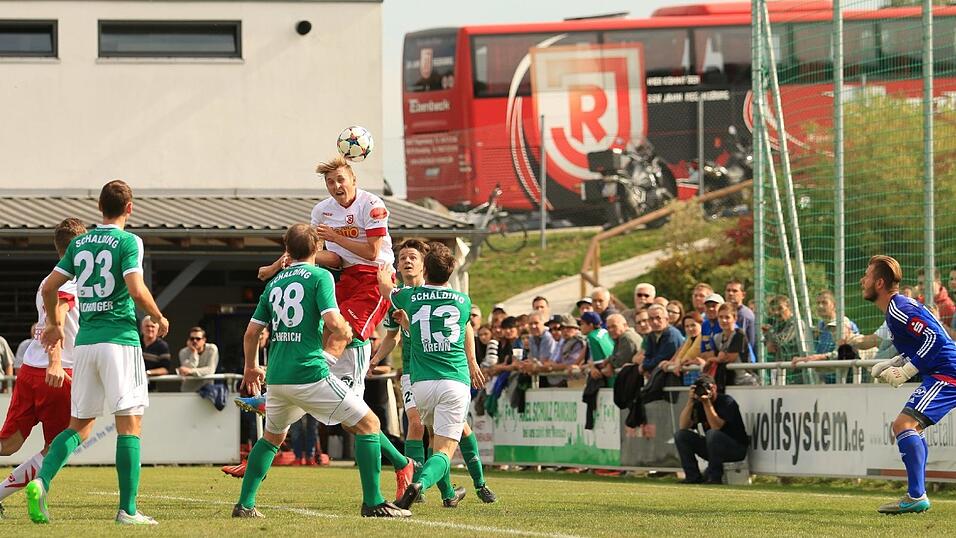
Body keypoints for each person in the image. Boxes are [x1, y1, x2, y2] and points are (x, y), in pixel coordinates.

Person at [234, 223, 409, 519]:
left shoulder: (274, 284)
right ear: (317, 248)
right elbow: (332, 320)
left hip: (277, 377)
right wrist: (343, 330)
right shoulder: (320, 276)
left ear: (286, 248)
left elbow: (251, 333)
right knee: (369, 423)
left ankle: (245, 504)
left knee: (272, 439)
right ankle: (374, 502)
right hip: (309, 373)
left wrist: (251, 367)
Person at [29, 181, 169, 525]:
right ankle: (128, 511)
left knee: (79, 425)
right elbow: (136, 289)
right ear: (130, 208)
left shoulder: (79, 243)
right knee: (130, 426)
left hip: (87, 344)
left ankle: (42, 482)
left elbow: (50, 286)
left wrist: (54, 326)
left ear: (99, 207)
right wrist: (158, 315)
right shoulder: (128, 240)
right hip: (119, 340)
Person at [372, 239, 496, 505]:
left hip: (422, 380)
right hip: (441, 377)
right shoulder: (461, 299)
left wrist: (381, 271)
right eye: (402, 256)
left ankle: (464, 489)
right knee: (437, 443)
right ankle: (420, 485)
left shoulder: (406, 297)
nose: (406, 261)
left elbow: (386, 290)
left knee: (446, 431)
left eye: (412, 257)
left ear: (423, 267)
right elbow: (395, 335)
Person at [0, 218, 85, 516]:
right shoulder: (73, 280)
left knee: (8, 444)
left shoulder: (49, 279)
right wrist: (56, 362)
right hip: (59, 372)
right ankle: (34, 487)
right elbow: (57, 318)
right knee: (68, 440)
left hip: (29, 371)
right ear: (79, 245)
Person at [863, 255, 956, 514]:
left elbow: (936, 339)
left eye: (867, 276)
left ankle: (917, 496)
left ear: (879, 283)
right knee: (911, 427)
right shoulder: (896, 310)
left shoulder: (898, 308)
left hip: (947, 373)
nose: (862, 280)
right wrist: (893, 361)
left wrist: (906, 371)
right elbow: (919, 343)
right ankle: (916, 494)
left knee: (902, 424)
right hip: (942, 372)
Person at [674, 375, 748, 484]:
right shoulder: (698, 404)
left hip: (735, 448)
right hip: (712, 448)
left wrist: (707, 403)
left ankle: (714, 477)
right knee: (681, 435)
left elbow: (716, 426)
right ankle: (692, 476)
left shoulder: (726, 401)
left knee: (713, 434)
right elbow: (683, 426)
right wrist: (690, 402)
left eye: (705, 389)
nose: (702, 392)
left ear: (714, 388)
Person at [640, 304, 684, 376]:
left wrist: (644, 366)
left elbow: (663, 358)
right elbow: (647, 355)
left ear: (667, 319)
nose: (654, 322)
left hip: (672, 377)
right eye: (651, 319)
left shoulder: (672, 334)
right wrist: (645, 365)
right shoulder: (651, 335)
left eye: (658, 318)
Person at [177, 327, 219, 392]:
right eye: (192, 339)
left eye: (198, 339)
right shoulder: (183, 352)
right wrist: (194, 352)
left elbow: (210, 370)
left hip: (207, 391)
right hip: (188, 391)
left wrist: (191, 371)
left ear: (204, 340)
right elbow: (187, 370)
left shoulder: (212, 349)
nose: (194, 341)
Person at [723, 279, 756, 357]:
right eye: (728, 290)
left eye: (735, 291)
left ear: (743, 295)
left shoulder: (744, 314)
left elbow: (741, 342)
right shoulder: (725, 312)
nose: (730, 293)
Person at [141, 316, 173, 392]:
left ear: (157, 330)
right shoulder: (135, 342)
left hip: (150, 389)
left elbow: (165, 369)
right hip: (130, 385)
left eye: (153, 326)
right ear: (142, 328)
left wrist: (147, 373)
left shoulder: (162, 346)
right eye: (147, 326)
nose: (150, 329)